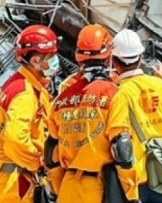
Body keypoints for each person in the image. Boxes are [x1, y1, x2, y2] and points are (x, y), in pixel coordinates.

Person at [46, 24, 139, 203]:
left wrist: (57, 189)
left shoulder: (61, 99)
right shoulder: (113, 94)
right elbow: (122, 147)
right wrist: (131, 193)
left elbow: (51, 151)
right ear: (109, 57)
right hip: (99, 189)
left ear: (79, 58)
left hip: (68, 187)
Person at [0, 24, 59, 203]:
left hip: (2, 179)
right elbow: (15, 140)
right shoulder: (25, 93)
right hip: (12, 184)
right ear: (35, 61)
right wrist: (38, 163)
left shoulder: (19, 84)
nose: (55, 61)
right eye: (51, 56)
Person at [110, 29, 162, 203]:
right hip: (161, 169)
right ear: (140, 57)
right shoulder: (159, 85)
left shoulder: (118, 92)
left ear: (114, 61)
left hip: (134, 175)